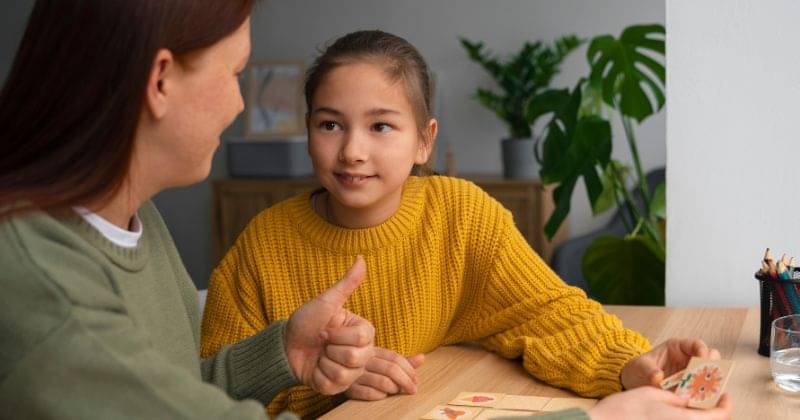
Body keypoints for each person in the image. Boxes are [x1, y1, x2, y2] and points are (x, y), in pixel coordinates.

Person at [201, 30, 732, 419]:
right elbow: (203, 395)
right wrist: (326, 385)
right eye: (330, 124)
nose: (352, 151)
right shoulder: (262, 245)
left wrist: (631, 365)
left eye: (381, 125)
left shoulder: (459, 214)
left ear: (424, 140)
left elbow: (548, 313)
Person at [0, 1, 376, 418]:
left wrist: (284, 351)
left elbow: (167, 395)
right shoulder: (41, 281)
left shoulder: (134, 214)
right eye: (235, 74)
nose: (238, 105)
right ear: (160, 80)